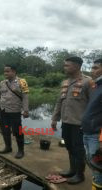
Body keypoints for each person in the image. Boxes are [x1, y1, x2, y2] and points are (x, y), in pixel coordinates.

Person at [51, 56, 94, 184]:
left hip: (79, 123)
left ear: (76, 66)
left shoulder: (88, 82)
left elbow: (94, 104)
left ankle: (79, 175)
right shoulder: (65, 82)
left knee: (78, 149)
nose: (64, 67)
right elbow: (60, 102)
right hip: (66, 122)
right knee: (69, 146)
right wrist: (54, 118)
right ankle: (72, 170)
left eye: (67, 65)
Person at [0, 64, 29, 159]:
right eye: (5, 71)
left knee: (17, 131)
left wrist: (26, 110)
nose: (5, 73)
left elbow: (25, 97)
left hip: (15, 111)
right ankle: (8, 147)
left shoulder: (22, 82)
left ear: (14, 72)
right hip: (3, 111)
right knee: (5, 130)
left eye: (8, 71)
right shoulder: (2, 83)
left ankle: (21, 150)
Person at [82, 59, 102, 190]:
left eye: (95, 68)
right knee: (93, 164)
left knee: (98, 167)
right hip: (88, 131)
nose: (92, 70)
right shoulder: (96, 85)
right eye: (92, 68)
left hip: (96, 134)